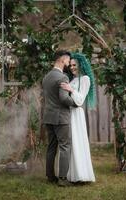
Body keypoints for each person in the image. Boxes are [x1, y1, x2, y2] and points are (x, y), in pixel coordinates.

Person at [42, 50, 77, 186]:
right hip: (61, 117)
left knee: (51, 147)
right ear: (62, 60)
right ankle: (63, 179)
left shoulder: (46, 77)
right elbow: (63, 98)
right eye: (68, 60)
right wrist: (75, 103)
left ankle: (50, 176)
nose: (69, 63)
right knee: (65, 147)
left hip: (48, 117)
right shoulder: (62, 77)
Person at [60, 52, 96, 183]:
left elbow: (80, 100)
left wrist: (71, 89)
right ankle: (70, 175)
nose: (72, 67)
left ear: (81, 64)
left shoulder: (85, 79)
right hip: (68, 113)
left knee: (77, 143)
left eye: (75, 65)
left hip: (76, 114)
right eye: (70, 65)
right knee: (70, 144)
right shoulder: (73, 80)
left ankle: (81, 175)